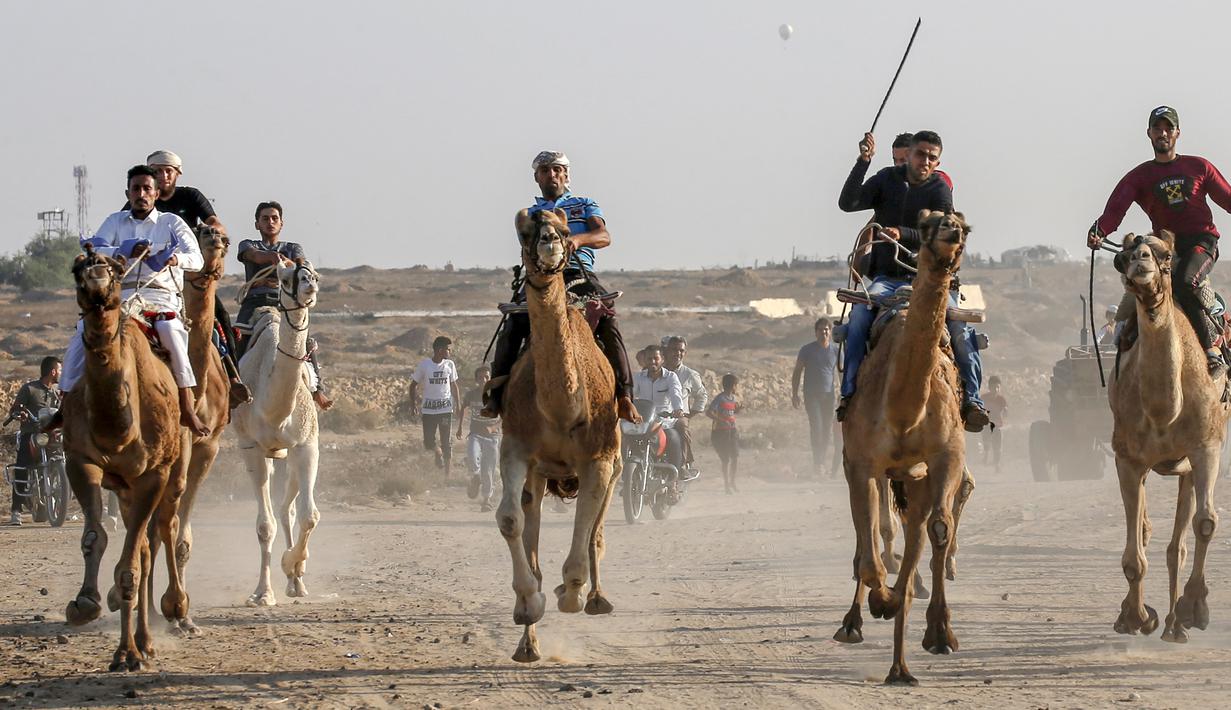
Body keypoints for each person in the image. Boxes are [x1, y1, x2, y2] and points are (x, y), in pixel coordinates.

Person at [837, 130, 989, 432]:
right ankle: (850, 394)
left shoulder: (938, 190)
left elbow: (945, 232)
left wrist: (902, 233)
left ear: (937, 161)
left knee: (959, 328)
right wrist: (862, 161)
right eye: (920, 154)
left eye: (932, 157)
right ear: (909, 154)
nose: (925, 161)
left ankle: (972, 399)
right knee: (857, 321)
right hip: (885, 280)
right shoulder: (885, 180)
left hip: (928, 283)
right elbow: (848, 202)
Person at [484, 150, 638, 423]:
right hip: (543, 276)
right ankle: (496, 396)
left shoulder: (585, 203)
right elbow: (526, 248)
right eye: (545, 171)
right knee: (513, 323)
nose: (551, 175)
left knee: (607, 318)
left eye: (557, 170)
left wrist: (577, 241)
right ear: (536, 177)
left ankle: (625, 396)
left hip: (579, 272)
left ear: (566, 174)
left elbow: (604, 236)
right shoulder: (529, 214)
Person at [65, 165, 211, 436]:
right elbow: (94, 250)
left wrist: (174, 258)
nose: (141, 194)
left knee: (170, 331)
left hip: (161, 296)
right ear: (128, 193)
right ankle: (64, 404)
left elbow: (197, 258)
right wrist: (124, 249)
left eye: (147, 189)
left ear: (157, 194)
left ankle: (187, 405)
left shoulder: (172, 223)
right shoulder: (114, 221)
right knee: (84, 331)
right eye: (136, 189)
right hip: (120, 297)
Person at [1087, 105, 1231, 377]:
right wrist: (1099, 231)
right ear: (1149, 134)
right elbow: (1115, 210)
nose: (1162, 133)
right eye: (1157, 128)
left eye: (1168, 128)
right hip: (1165, 248)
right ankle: (1125, 356)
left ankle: (1212, 351)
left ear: (1177, 133)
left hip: (1201, 243)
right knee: (1136, 291)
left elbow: (1228, 198)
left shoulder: (1199, 167)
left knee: (1185, 282)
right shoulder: (1139, 176)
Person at [126, 150, 249, 408]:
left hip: (190, 277)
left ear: (177, 174)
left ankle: (233, 376)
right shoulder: (140, 202)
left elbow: (215, 222)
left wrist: (212, 235)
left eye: (168, 170)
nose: (163, 175)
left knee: (218, 321)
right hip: (152, 281)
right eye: (157, 171)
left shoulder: (190, 198)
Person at [234, 201, 332, 409]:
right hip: (255, 303)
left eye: (274, 218)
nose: (270, 222)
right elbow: (253, 256)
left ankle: (318, 389)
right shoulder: (248, 245)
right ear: (257, 224)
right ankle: (231, 385)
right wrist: (269, 258)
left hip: (285, 303)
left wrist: (288, 264)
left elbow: (302, 264)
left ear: (281, 223)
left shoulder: (292, 247)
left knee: (303, 338)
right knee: (238, 338)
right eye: (265, 219)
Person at [5, 357, 61, 525]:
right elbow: (15, 408)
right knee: (22, 466)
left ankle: (62, 495)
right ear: (53, 372)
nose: (61, 374)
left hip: (51, 435)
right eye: (60, 370)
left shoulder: (57, 393)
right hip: (31, 434)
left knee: (70, 454)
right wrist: (19, 413)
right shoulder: (29, 389)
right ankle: (16, 510)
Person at [792, 318, 840, 476]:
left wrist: (845, 393)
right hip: (811, 395)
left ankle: (822, 461)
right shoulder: (807, 350)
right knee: (817, 428)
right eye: (820, 329)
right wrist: (794, 393)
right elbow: (797, 371)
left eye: (826, 329)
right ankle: (817, 463)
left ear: (830, 331)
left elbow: (840, 372)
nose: (824, 332)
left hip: (829, 395)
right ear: (815, 332)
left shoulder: (835, 350)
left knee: (826, 429)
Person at [410, 336, 461, 477]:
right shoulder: (425, 365)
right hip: (429, 410)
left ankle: (447, 476)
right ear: (440, 350)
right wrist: (413, 404)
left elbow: (454, 385)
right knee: (428, 442)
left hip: (445, 410)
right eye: (447, 349)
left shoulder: (449, 365)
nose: (449, 352)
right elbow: (413, 385)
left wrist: (458, 405)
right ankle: (437, 452)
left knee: (447, 442)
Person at [456, 365, 500, 512]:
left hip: (492, 437)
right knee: (472, 455)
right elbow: (463, 408)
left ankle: (486, 500)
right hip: (475, 433)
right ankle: (475, 477)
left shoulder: (496, 396)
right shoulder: (471, 394)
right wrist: (460, 427)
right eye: (480, 377)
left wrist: (493, 428)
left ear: (490, 379)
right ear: (476, 379)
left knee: (489, 470)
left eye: (486, 377)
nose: (483, 380)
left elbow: (506, 415)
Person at [632, 345, 685, 466]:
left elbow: (675, 393)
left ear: (662, 359)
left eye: (656, 358)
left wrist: (678, 409)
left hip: (664, 422)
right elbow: (630, 394)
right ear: (645, 360)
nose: (652, 362)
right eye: (649, 359)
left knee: (673, 437)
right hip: (643, 422)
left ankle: (675, 477)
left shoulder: (670, 377)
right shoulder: (638, 378)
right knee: (624, 436)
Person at [663, 336, 706, 467]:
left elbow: (702, 395)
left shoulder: (690, 374)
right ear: (666, 351)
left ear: (685, 353)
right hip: (657, 416)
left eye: (681, 350)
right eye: (674, 349)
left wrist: (689, 415)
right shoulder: (655, 371)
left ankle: (682, 465)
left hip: (678, 417)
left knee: (682, 428)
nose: (678, 353)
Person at [706, 373, 741, 494]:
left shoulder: (733, 398)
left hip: (732, 431)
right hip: (721, 433)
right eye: (736, 385)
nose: (737, 388)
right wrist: (721, 421)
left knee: (735, 457)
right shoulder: (720, 398)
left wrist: (737, 410)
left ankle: (732, 481)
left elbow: (730, 412)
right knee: (725, 460)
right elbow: (709, 412)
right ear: (733, 386)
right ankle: (726, 485)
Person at [983, 376, 1008, 473]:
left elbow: (1006, 411)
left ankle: (997, 465)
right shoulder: (984, 398)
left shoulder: (1001, 399)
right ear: (989, 387)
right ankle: (985, 455)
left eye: (998, 387)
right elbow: (980, 408)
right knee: (986, 442)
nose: (996, 389)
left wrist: (1005, 413)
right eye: (994, 387)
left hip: (998, 425)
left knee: (997, 447)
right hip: (986, 425)